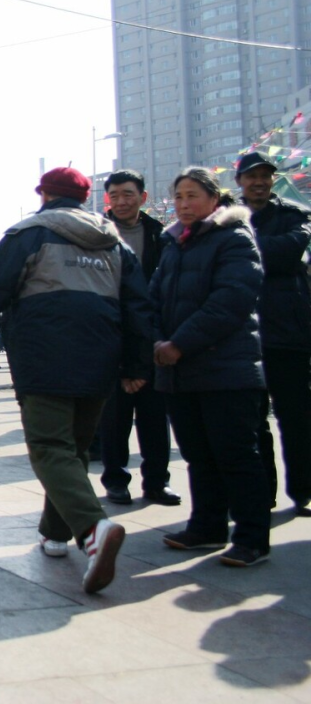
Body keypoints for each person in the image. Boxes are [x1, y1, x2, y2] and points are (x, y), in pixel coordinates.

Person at [0, 166, 152, 594]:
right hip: (101, 357)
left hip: (43, 356)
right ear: (88, 198)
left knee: (50, 447)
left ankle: (91, 530)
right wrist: (137, 365)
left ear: (44, 194)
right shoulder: (115, 245)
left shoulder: (28, 234)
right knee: (74, 448)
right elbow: (139, 307)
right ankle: (55, 532)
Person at [152, 166, 272, 567]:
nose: (184, 204)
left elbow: (231, 302)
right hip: (179, 372)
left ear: (214, 199)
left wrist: (179, 344)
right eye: (179, 196)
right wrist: (155, 341)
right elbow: (153, 300)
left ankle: (252, 537)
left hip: (226, 369)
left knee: (236, 454)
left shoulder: (235, 239)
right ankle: (207, 526)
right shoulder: (174, 244)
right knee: (198, 454)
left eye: (193, 196)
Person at [234, 151, 311, 516]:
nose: (259, 182)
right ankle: (263, 495)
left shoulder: (295, 216)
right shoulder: (227, 219)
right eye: (252, 176)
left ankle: (304, 492)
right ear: (240, 182)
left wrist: (243, 252)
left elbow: (287, 253)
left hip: (289, 335)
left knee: (296, 418)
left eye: (265, 176)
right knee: (252, 423)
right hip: (245, 336)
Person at [97, 169, 180, 506]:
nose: (121, 201)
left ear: (143, 197)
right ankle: (116, 480)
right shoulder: (95, 234)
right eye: (114, 195)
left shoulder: (162, 236)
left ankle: (157, 482)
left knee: (154, 415)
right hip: (111, 337)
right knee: (114, 416)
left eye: (128, 194)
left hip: (152, 333)